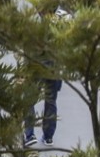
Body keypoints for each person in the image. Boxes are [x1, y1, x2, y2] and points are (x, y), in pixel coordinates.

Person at [23, 9, 68, 147]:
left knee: (29, 100)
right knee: (50, 102)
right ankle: (48, 136)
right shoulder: (59, 30)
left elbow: (26, 50)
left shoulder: (32, 28)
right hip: (53, 69)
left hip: (35, 68)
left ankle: (30, 135)